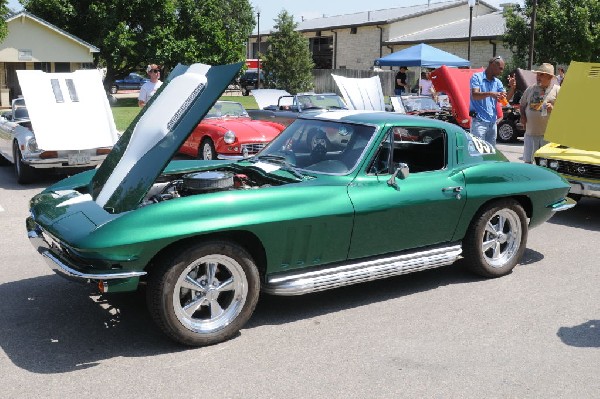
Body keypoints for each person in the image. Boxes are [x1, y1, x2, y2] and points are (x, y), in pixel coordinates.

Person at [469, 56, 516, 146]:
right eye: (500, 69)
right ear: (493, 65)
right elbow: (474, 95)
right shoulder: (477, 77)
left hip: (492, 123)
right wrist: (491, 93)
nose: (501, 72)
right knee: (478, 152)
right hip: (479, 123)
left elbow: (505, 101)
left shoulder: (497, 82)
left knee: (490, 154)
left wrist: (512, 88)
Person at [519, 63, 560, 164]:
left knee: (545, 165)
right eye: (537, 74)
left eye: (541, 75)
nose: (537, 77)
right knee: (528, 163)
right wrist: (523, 116)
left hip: (547, 137)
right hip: (530, 134)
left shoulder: (557, 90)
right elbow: (522, 104)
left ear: (550, 77)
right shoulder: (530, 89)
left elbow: (565, 112)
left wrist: (553, 109)